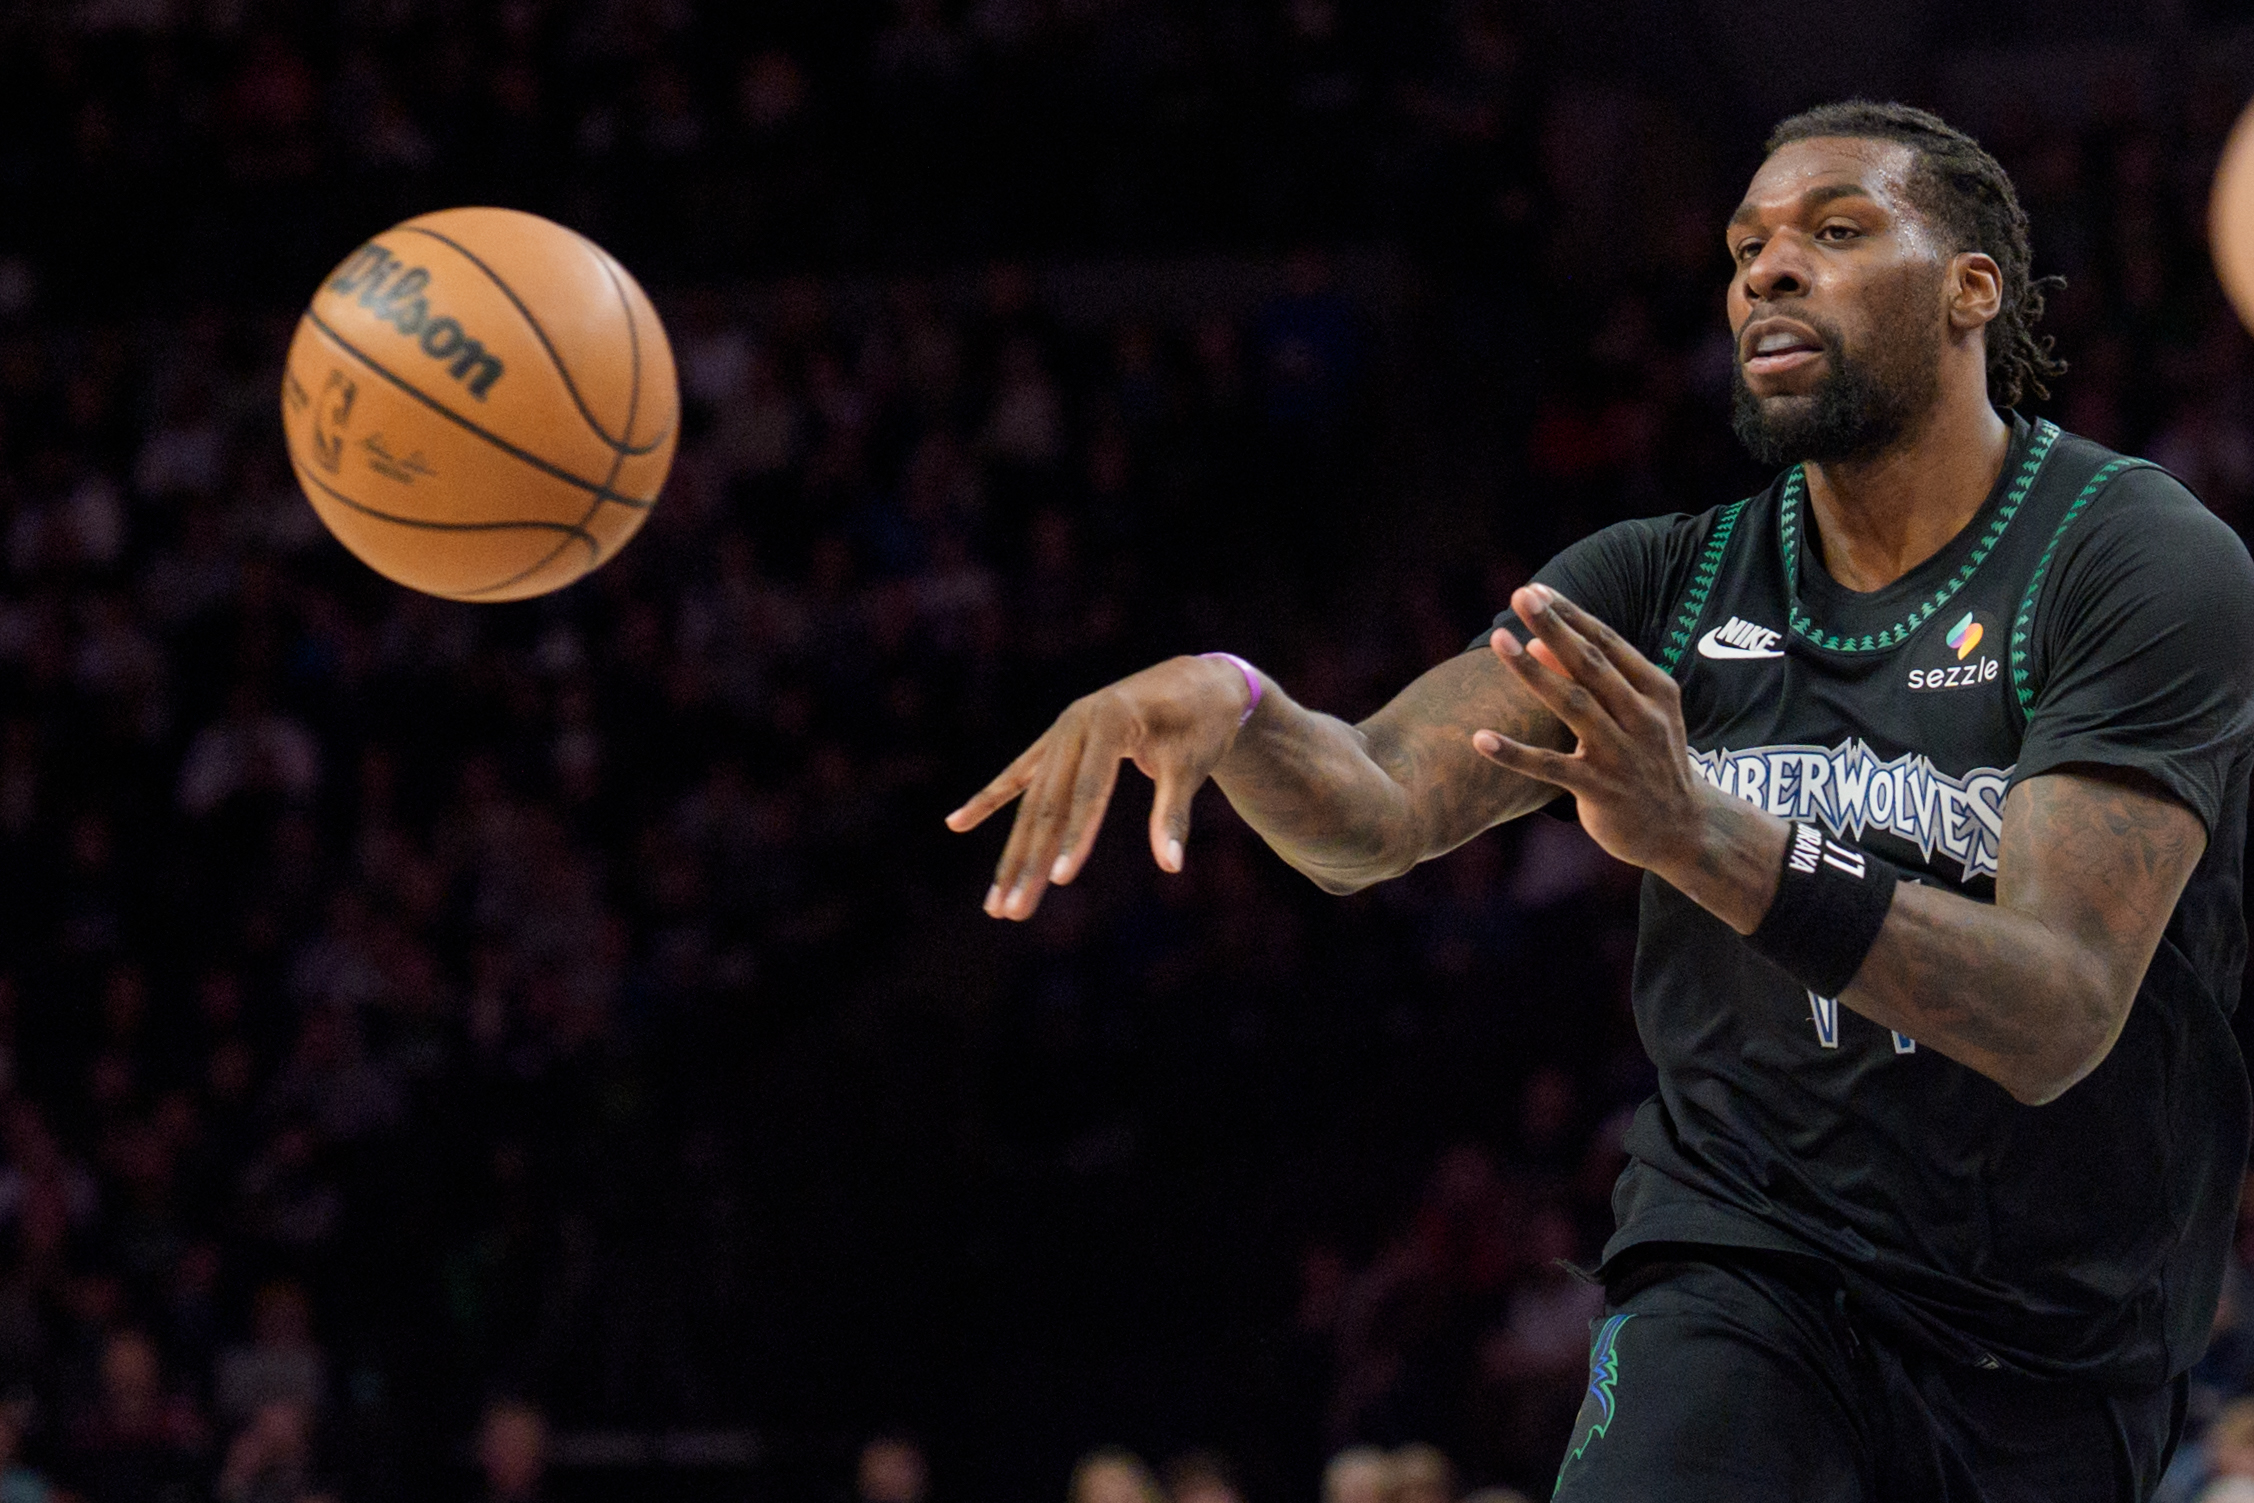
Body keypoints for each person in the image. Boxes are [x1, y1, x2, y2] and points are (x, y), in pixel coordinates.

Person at [950, 100, 2254, 1501]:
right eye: (1745, 243)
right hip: (1750, 1267)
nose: (1765, 268)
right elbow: (1375, 807)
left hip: (2054, 1342)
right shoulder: (1656, 584)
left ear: (1969, 290)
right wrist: (1239, 704)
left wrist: (1702, 833)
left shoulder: (2129, 561)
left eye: (1833, 230)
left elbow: (2053, 1009)